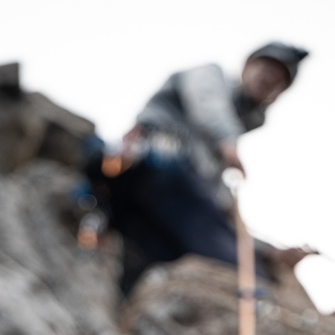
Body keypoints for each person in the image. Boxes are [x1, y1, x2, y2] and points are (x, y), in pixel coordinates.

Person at [99, 41, 311, 292]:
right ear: (246, 66)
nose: (269, 77)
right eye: (266, 67)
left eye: (278, 79)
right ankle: (254, 291)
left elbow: (218, 216)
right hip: (149, 169)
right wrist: (227, 142)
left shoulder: (213, 167)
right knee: (240, 269)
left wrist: (267, 251)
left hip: (157, 208)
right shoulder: (210, 76)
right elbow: (208, 104)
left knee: (154, 262)